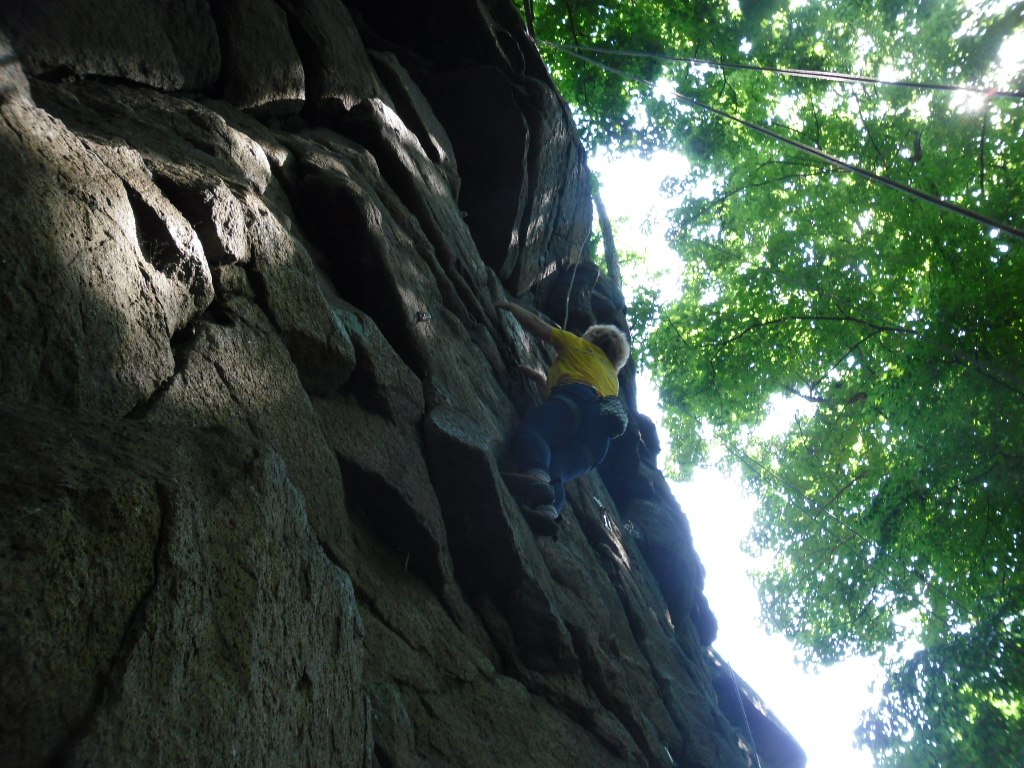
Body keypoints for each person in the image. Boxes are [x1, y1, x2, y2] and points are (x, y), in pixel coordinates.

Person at [497, 299, 631, 528]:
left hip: (574, 400)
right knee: (556, 471)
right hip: (599, 438)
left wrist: (511, 307)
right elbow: (571, 403)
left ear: (593, 337)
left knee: (532, 434)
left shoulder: (578, 344)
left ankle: (535, 475)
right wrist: (541, 380)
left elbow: (538, 327)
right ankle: (548, 511)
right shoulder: (612, 378)